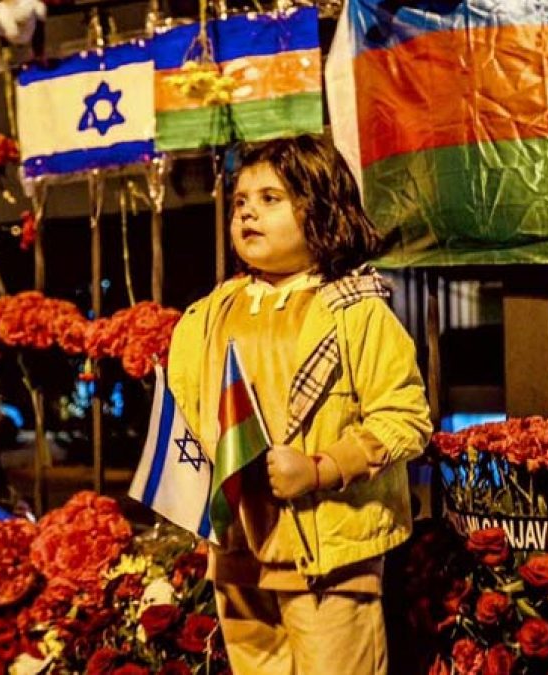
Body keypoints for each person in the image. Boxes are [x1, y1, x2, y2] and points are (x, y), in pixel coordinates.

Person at [167, 135, 433, 674]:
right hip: (238, 555)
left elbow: (404, 419)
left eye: (271, 199)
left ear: (323, 210)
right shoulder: (211, 313)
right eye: (241, 202)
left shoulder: (355, 312)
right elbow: (188, 409)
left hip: (327, 562)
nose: (248, 214)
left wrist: (320, 468)